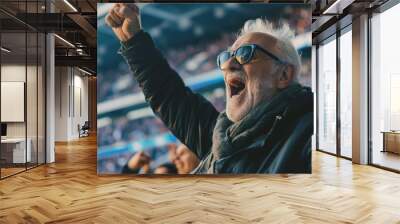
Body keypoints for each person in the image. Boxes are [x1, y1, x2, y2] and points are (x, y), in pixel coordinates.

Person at [106, 3, 313, 174]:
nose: (230, 64)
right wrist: (132, 41)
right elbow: (169, 95)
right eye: (227, 56)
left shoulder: (310, 135)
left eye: (245, 53)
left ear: (284, 75)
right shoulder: (217, 137)